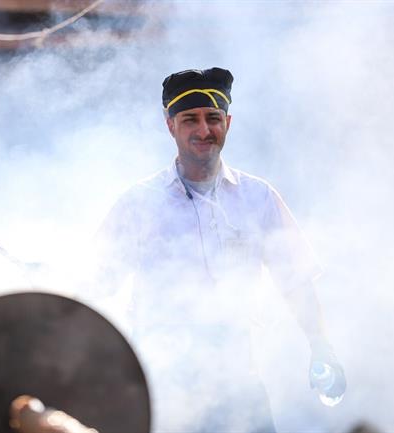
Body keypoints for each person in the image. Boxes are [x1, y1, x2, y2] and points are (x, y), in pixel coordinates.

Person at [92, 67, 346, 432]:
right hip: (162, 389)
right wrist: (50, 279)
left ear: (227, 122)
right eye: (190, 119)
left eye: (213, 118)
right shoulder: (139, 203)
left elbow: (296, 282)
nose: (203, 130)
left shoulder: (258, 197)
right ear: (170, 125)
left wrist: (321, 346)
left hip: (240, 385)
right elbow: (98, 280)